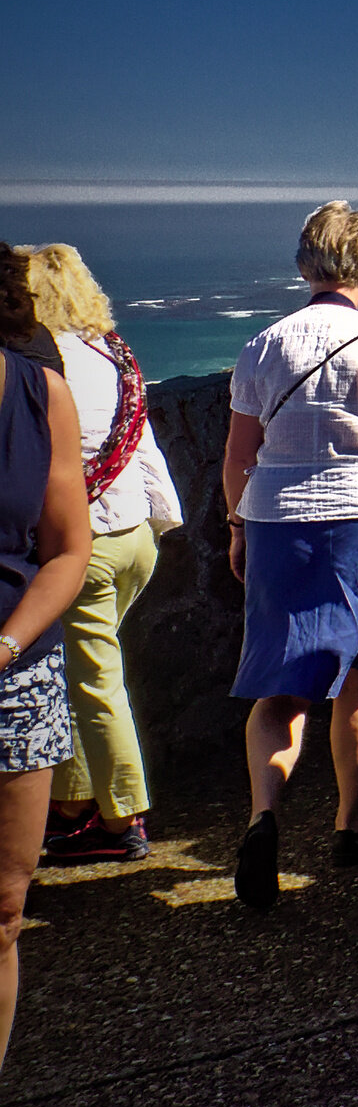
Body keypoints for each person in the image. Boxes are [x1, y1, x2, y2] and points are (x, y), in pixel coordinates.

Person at [223, 203, 358, 909]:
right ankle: (349, 823)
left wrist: (236, 528)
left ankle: (264, 815)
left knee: (277, 687)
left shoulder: (262, 346)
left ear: (303, 263)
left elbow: (238, 455)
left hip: (277, 520)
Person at [21, 244, 184, 864]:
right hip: (134, 536)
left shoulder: (42, 364)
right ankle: (72, 803)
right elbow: (141, 447)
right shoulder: (113, 355)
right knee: (82, 669)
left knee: (93, 680)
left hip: (81, 545)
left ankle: (123, 820)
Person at [0, 246, 93, 1107]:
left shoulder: (38, 391)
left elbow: (67, 544)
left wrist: (9, 640)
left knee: (3, 910)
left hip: (13, 674)